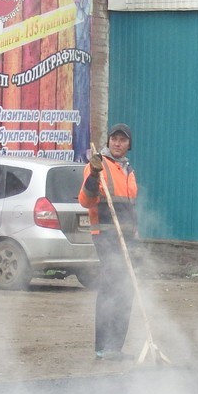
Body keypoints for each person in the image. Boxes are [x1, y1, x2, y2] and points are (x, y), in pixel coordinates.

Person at [79, 123, 139, 360]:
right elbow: (86, 200)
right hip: (105, 235)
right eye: (114, 139)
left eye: (122, 140)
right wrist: (94, 176)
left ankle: (116, 347)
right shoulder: (97, 165)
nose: (117, 143)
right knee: (111, 289)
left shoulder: (128, 171)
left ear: (128, 145)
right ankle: (103, 348)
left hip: (127, 238)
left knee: (127, 290)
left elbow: (131, 209)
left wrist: (136, 237)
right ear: (108, 141)